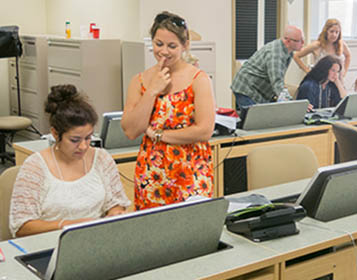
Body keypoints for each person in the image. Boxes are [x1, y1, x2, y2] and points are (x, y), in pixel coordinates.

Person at [121, 11, 215, 210]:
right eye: (158, 44)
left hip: (191, 171)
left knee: (192, 231)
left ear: (185, 45)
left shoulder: (198, 79)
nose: (164, 51)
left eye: (172, 46)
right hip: (152, 173)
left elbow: (204, 130)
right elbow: (130, 130)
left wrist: (158, 135)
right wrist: (152, 91)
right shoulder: (139, 81)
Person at [9, 85, 131, 238]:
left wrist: (115, 214)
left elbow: (116, 203)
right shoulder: (35, 167)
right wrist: (65, 225)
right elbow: (21, 226)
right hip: (51, 244)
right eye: (75, 140)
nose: (83, 146)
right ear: (55, 133)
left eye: (88, 138)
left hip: (97, 240)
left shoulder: (101, 158)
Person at [231, 25, 304, 108]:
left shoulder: (288, 52)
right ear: (288, 41)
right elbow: (277, 82)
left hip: (258, 90)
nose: (303, 43)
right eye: (299, 40)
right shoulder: (276, 54)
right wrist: (294, 105)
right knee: (255, 119)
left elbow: (278, 80)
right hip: (246, 88)